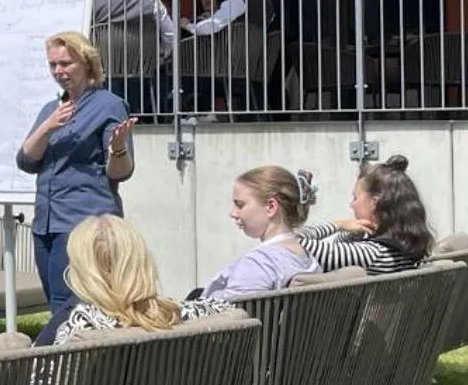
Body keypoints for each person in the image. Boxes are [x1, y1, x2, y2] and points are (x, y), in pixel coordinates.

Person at [16, 30, 137, 326]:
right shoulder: (52, 109)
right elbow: (25, 160)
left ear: (86, 62)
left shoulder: (108, 105)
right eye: (53, 65)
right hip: (46, 222)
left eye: (66, 63)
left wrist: (118, 149)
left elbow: (120, 172)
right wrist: (47, 127)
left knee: (69, 303)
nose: (59, 71)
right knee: (55, 301)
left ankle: (72, 363)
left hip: (83, 222)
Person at [51, 215, 239, 344]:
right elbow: (232, 311)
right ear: (141, 261)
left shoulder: (80, 331)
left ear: (83, 271)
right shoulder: (197, 316)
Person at [298, 154, 433, 274]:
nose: (351, 205)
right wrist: (355, 233)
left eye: (355, 198)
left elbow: (288, 242)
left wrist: (337, 225)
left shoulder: (370, 254)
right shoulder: (404, 249)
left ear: (374, 203)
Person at [203, 165, 318, 298]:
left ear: (271, 207)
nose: (232, 213)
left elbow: (229, 315)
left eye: (240, 205)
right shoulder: (307, 259)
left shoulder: (260, 264)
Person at [92, 0, 175, 62]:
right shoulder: (152, 1)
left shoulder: (96, 0)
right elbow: (170, 34)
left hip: (103, 64)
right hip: (142, 66)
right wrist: (163, 54)